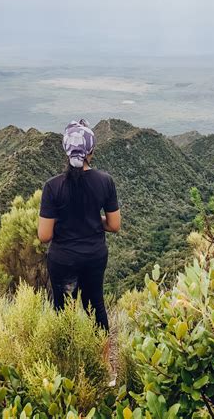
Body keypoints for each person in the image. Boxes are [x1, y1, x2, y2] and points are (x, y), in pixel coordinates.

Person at [38, 119, 121, 332]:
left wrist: (65, 221)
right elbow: (114, 225)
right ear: (91, 151)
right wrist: (93, 219)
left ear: (66, 151)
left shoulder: (52, 186)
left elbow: (44, 235)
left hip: (63, 259)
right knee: (96, 308)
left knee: (63, 312)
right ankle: (103, 360)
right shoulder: (105, 181)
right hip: (94, 256)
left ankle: (67, 361)